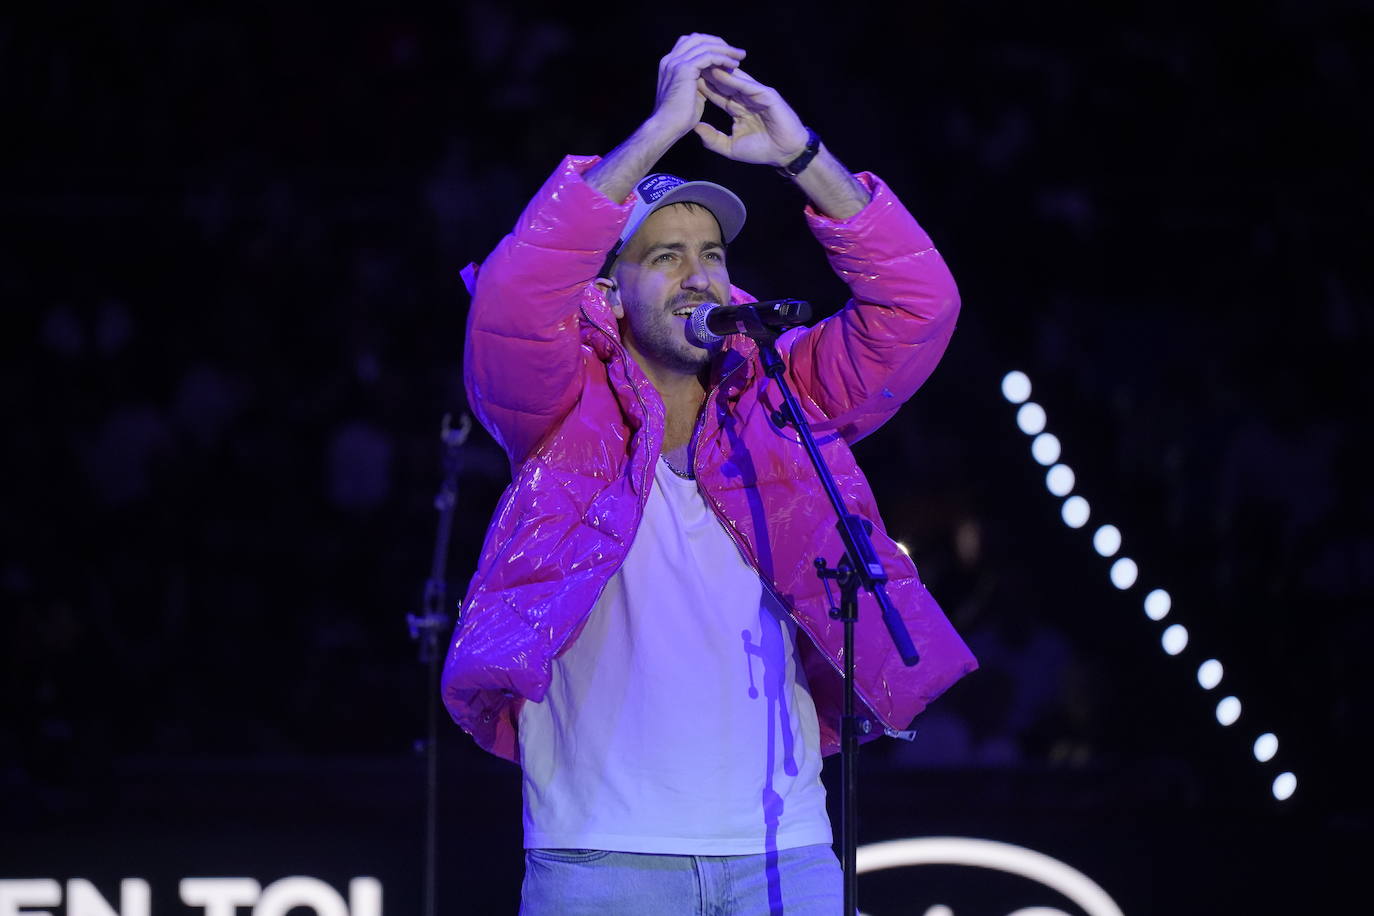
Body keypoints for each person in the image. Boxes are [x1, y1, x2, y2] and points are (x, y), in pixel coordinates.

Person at [443, 33, 977, 915]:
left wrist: (802, 156)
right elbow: (515, 298)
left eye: (714, 255)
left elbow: (918, 307)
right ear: (609, 292)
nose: (700, 278)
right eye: (666, 257)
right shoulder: (558, 411)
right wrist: (660, 130)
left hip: (786, 854)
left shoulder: (787, 394)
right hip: (603, 860)